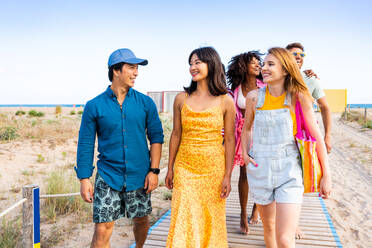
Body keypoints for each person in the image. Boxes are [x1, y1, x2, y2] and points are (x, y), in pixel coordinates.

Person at [241, 47, 332, 248]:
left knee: (284, 239)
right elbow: (246, 129)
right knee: (269, 231)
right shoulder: (254, 97)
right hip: (260, 170)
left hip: (289, 172)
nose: (263, 68)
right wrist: (245, 154)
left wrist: (327, 174)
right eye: (263, 64)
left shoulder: (298, 96)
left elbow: (316, 136)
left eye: (270, 64)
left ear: (285, 70)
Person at [75, 48, 164, 248]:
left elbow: (156, 138)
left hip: (140, 175)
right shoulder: (94, 106)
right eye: (131, 68)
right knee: (102, 229)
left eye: (137, 68)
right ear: (116, 70)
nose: (136, 73)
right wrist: (84, 179)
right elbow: (86, 144)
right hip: (108, 176)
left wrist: (154, 171)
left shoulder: (146, 103)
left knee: (141, 222)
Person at [165, 47, 236, 247]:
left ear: (211, 64)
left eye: (198, 62)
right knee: (183, 215)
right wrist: (170, 168)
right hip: (185, 167)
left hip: (213, 169)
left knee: (210, 217)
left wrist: (228, 175)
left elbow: (230, 139)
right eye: (191, 63)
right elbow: (176, 134)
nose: (193, 67)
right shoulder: (181, 98)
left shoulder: (226, 101)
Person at [226, 51, 266, 234]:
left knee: (260, 172)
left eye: (259, 61)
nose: (258, 64)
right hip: (242, 133)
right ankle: (243, 215)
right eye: (253, 62)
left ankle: (255, 209)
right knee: (244, 172)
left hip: (263, 134)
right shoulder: (235, 89)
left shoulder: (265, 85)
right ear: (243, 66)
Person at [286, 42, 332, 153]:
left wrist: (327, 136)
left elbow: (325, 107)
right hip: (281, 132)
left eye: (302, 55)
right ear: (285, 57)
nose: (298, 57)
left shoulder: (311, 79)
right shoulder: (276, 78)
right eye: (294, 54)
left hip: (306, 133)